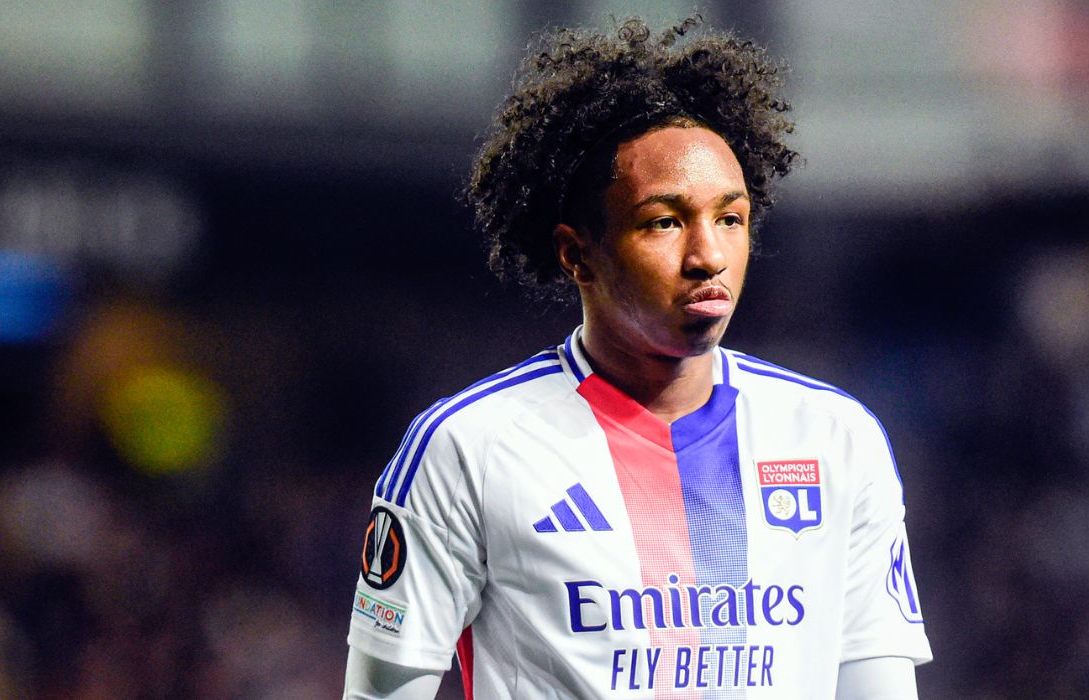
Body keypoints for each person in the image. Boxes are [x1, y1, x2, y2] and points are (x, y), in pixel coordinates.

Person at [344, 16, 931, 699]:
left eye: (730, 218)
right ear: (577, 254)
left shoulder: (835, 439)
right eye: (665, 222)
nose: (708, 256)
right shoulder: (468, 449)